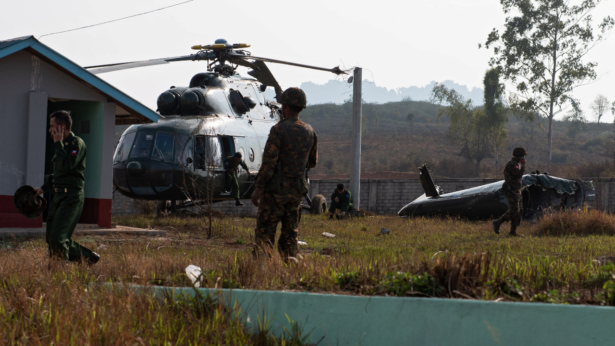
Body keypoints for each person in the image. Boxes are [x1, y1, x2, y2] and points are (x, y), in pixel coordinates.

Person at [251, 87, 318, 261]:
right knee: (290, 232)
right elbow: (312, 162)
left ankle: (262, 267)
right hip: (296, 192)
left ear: (285, 106)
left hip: (275, 191)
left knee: (265, 231)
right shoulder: (310, 132)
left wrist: (258, 188)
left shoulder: (278, 130)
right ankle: (291, 265)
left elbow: (269, 163)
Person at [35, 110, 100, 265]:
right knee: (51, 238)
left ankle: (58, 271)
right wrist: (42, 189)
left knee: (59, 237)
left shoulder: (77, 144)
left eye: (52, 126)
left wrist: (58, 144)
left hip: (71, 197)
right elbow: (58, 174)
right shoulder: (62, 146)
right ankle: (88, 258)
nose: (50, 130)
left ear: (61, 127)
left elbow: (67, 166)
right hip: (58, 197)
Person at [493, 147, 527, 237]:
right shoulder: (512, 164)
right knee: (514, 210)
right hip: (511, 190)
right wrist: (523, 166)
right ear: (517, 156)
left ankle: (513, 232)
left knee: (519, 211)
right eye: (522, 156)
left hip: (517, 190)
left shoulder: (517, 164)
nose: (523, 158)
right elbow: (519, 174)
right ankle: (498, 222)